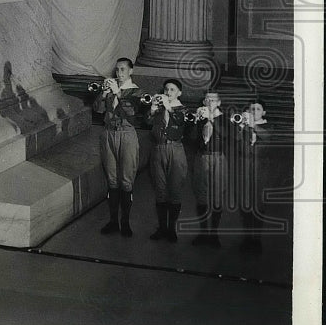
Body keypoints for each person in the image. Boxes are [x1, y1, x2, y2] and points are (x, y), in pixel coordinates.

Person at [92, 57, 141, 236]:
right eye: (117, 70)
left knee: (126, 180)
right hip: (108, 134)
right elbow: (97, 109)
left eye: (122, 70)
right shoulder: (111, 90)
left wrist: (118, 94)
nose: (119, 74)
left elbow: (131, 112)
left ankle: (125, 222)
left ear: (130, 71)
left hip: (126, 135)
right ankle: (113, 221)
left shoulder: (136, 91)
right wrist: (104, 94)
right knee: (112, 180)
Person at [145, 79, 189, 242]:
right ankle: (162, 228)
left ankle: (172, 229)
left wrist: (168, 107)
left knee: (175, 189)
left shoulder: (183, 109)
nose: (168, 92)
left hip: (175, 150)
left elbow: (180, 121)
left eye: (172, 90)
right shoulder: (160, 107)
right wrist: (153, 108)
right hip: (158, 149)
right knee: (160, 189)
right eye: (166, 89)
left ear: (179, 93)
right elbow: (147, 122)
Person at [189, 90, 230, 247]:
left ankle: (214, 233)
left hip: (218, 158)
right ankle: (203, 232)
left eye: (213, 100)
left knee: (217, 195)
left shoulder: (224, 118)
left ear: (219, 103)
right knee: (201, 195)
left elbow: (226, 135)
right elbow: (192, 139)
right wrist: (196, 121)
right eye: (206, 99)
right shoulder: (200, 117)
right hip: (202, 157)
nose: (209, 102)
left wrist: (211, 119)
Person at [234, 98, 272, 253]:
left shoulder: (268, 126)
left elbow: (267, 138)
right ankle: (248, 237)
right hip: (244, 166)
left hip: (260, 167)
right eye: (251, 109)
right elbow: (236, 142)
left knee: (257, 204)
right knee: (245, 203)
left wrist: (252, 125)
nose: (254, 112)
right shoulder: (246, 126)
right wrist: (241, 127)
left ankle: (257, 239)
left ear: (263, 112)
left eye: (257, 109)